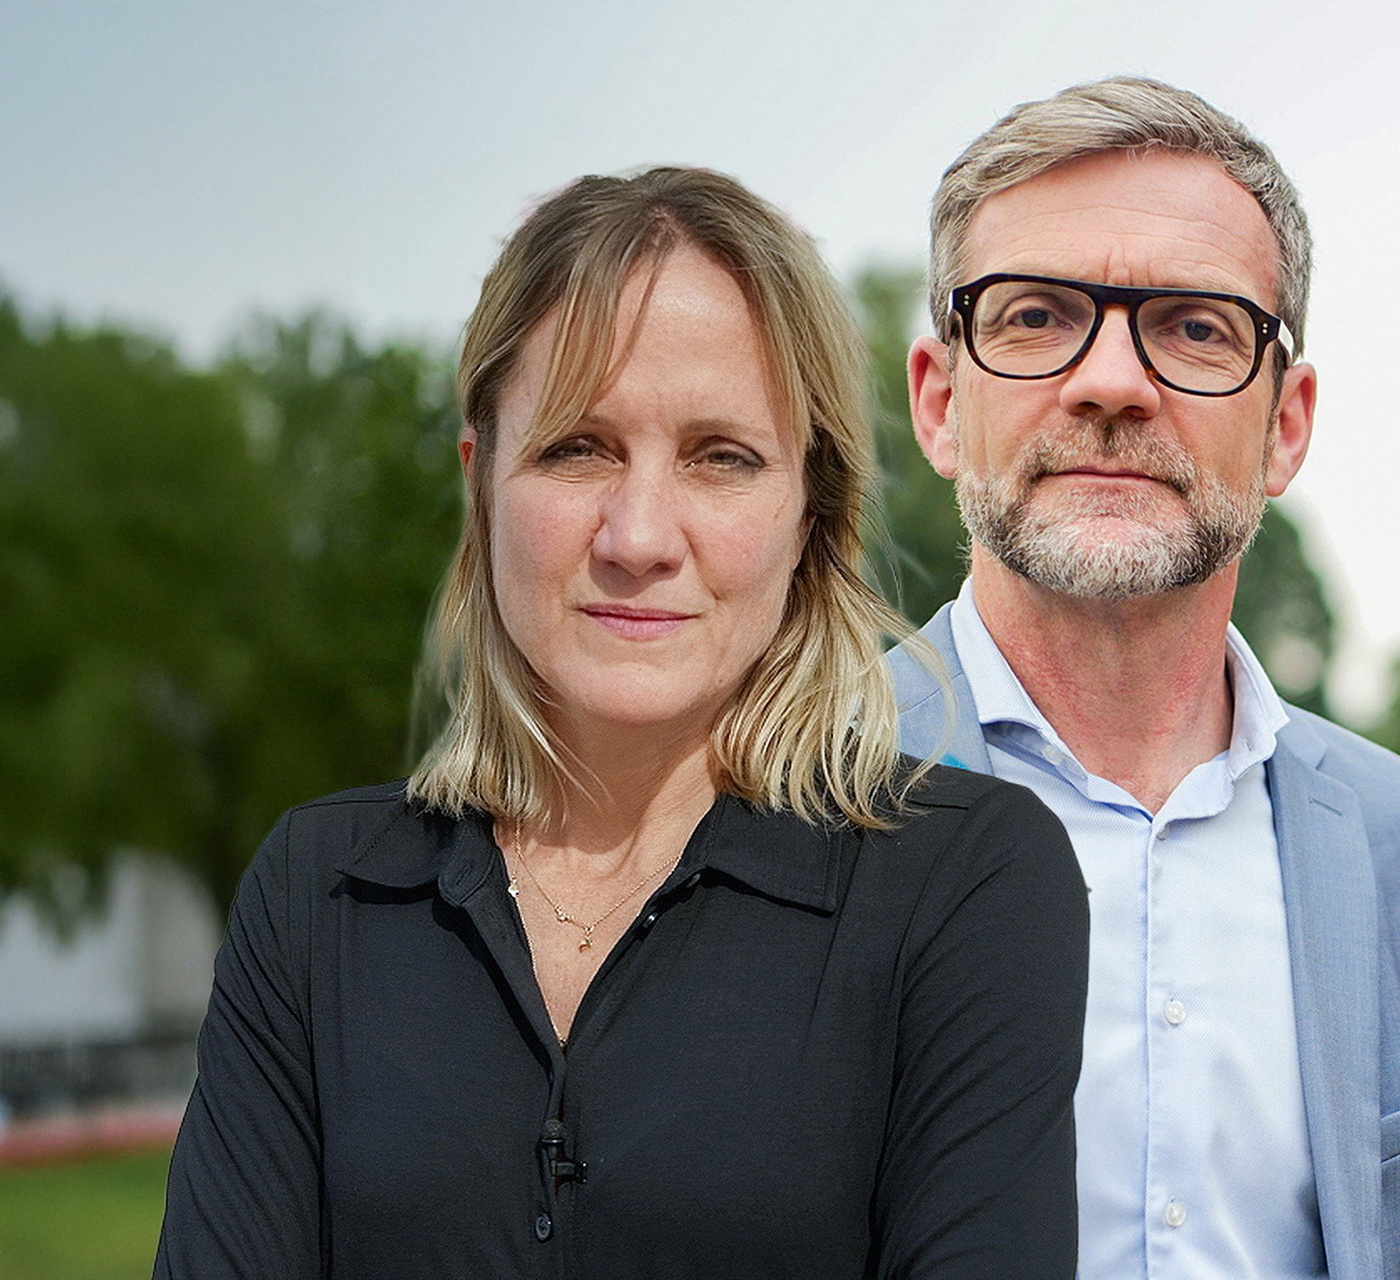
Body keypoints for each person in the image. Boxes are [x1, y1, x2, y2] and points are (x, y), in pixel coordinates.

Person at [154, 166, 1088, 1278]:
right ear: (481, 483)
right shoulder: (321, 891)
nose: (638, 535)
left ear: (811, 511)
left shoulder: (966, 884)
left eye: (720, 457)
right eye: (577, 447)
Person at [888, 78, 1400, 1279]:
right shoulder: (761, 792)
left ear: (1286, 423)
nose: (1113, 382)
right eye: (1035, 316)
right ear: (939, 400)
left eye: (1194, 327)